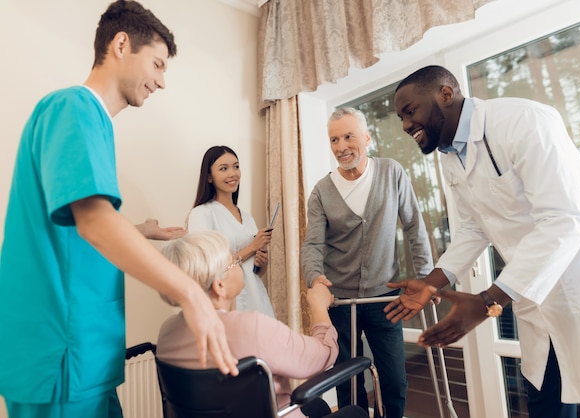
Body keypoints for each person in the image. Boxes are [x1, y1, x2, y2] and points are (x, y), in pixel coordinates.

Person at [0, 2, 238, 417]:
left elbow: (73, 225)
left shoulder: (93, 123)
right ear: (122, 44)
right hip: (62, 357)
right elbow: (93, 221)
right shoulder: (73, 107)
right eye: (158, 65)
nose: (162, 82)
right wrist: (191, 295)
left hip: (86, 358)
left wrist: (140, 231)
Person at [388, 65, 580, 418]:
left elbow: (565, 217)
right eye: (401, 117)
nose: (406, 125)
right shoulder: (451, 155)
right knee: (547, 403)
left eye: (410, 111)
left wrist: (488, 302)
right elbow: (472, 229)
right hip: (534, 292)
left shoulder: (523, 120)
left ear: (446, 95)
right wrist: (430, 283)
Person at [301, 107, 434, 418]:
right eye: (334, 139)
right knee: (349, 385)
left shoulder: (391, 172)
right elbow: (313, 244)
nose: (341, 146)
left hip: (384, 299)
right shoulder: (321, 191)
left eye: (349, 136)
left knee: (394, 382)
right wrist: (315, 278)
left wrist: (427, 277)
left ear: (367, 138)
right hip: (340, 302)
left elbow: (414, 226)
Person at [156, 231, 368, 418]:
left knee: (318, 405)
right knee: (356, 413)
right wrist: (319, 307)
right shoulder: (251, 328)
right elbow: (321, 357)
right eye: (235, 261)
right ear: (219, 285)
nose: (240, 264)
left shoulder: (167, 332)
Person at [187, 145, 275, 318]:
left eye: (236, 166)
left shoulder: (247, 218)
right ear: (209, 177)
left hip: (256, 300)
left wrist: (261, 261)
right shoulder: (202, 214)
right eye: (223, 169)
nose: (232, 173)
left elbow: (257, 272)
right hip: (227, 304)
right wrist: (252, 247)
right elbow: (208, 268)